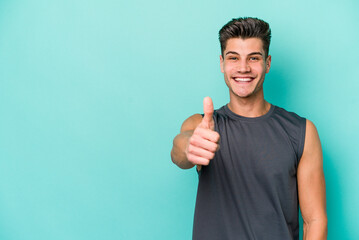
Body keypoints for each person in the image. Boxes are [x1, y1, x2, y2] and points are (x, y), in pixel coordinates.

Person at [171, 17, 327, 239]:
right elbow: (179, 150)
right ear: (222, 63)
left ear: (268, 63)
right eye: (233, 58)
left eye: (253, 58)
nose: (243, 68)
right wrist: (190, 147)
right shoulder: (202, 126)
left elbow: (314, 221)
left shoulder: (301, 131)